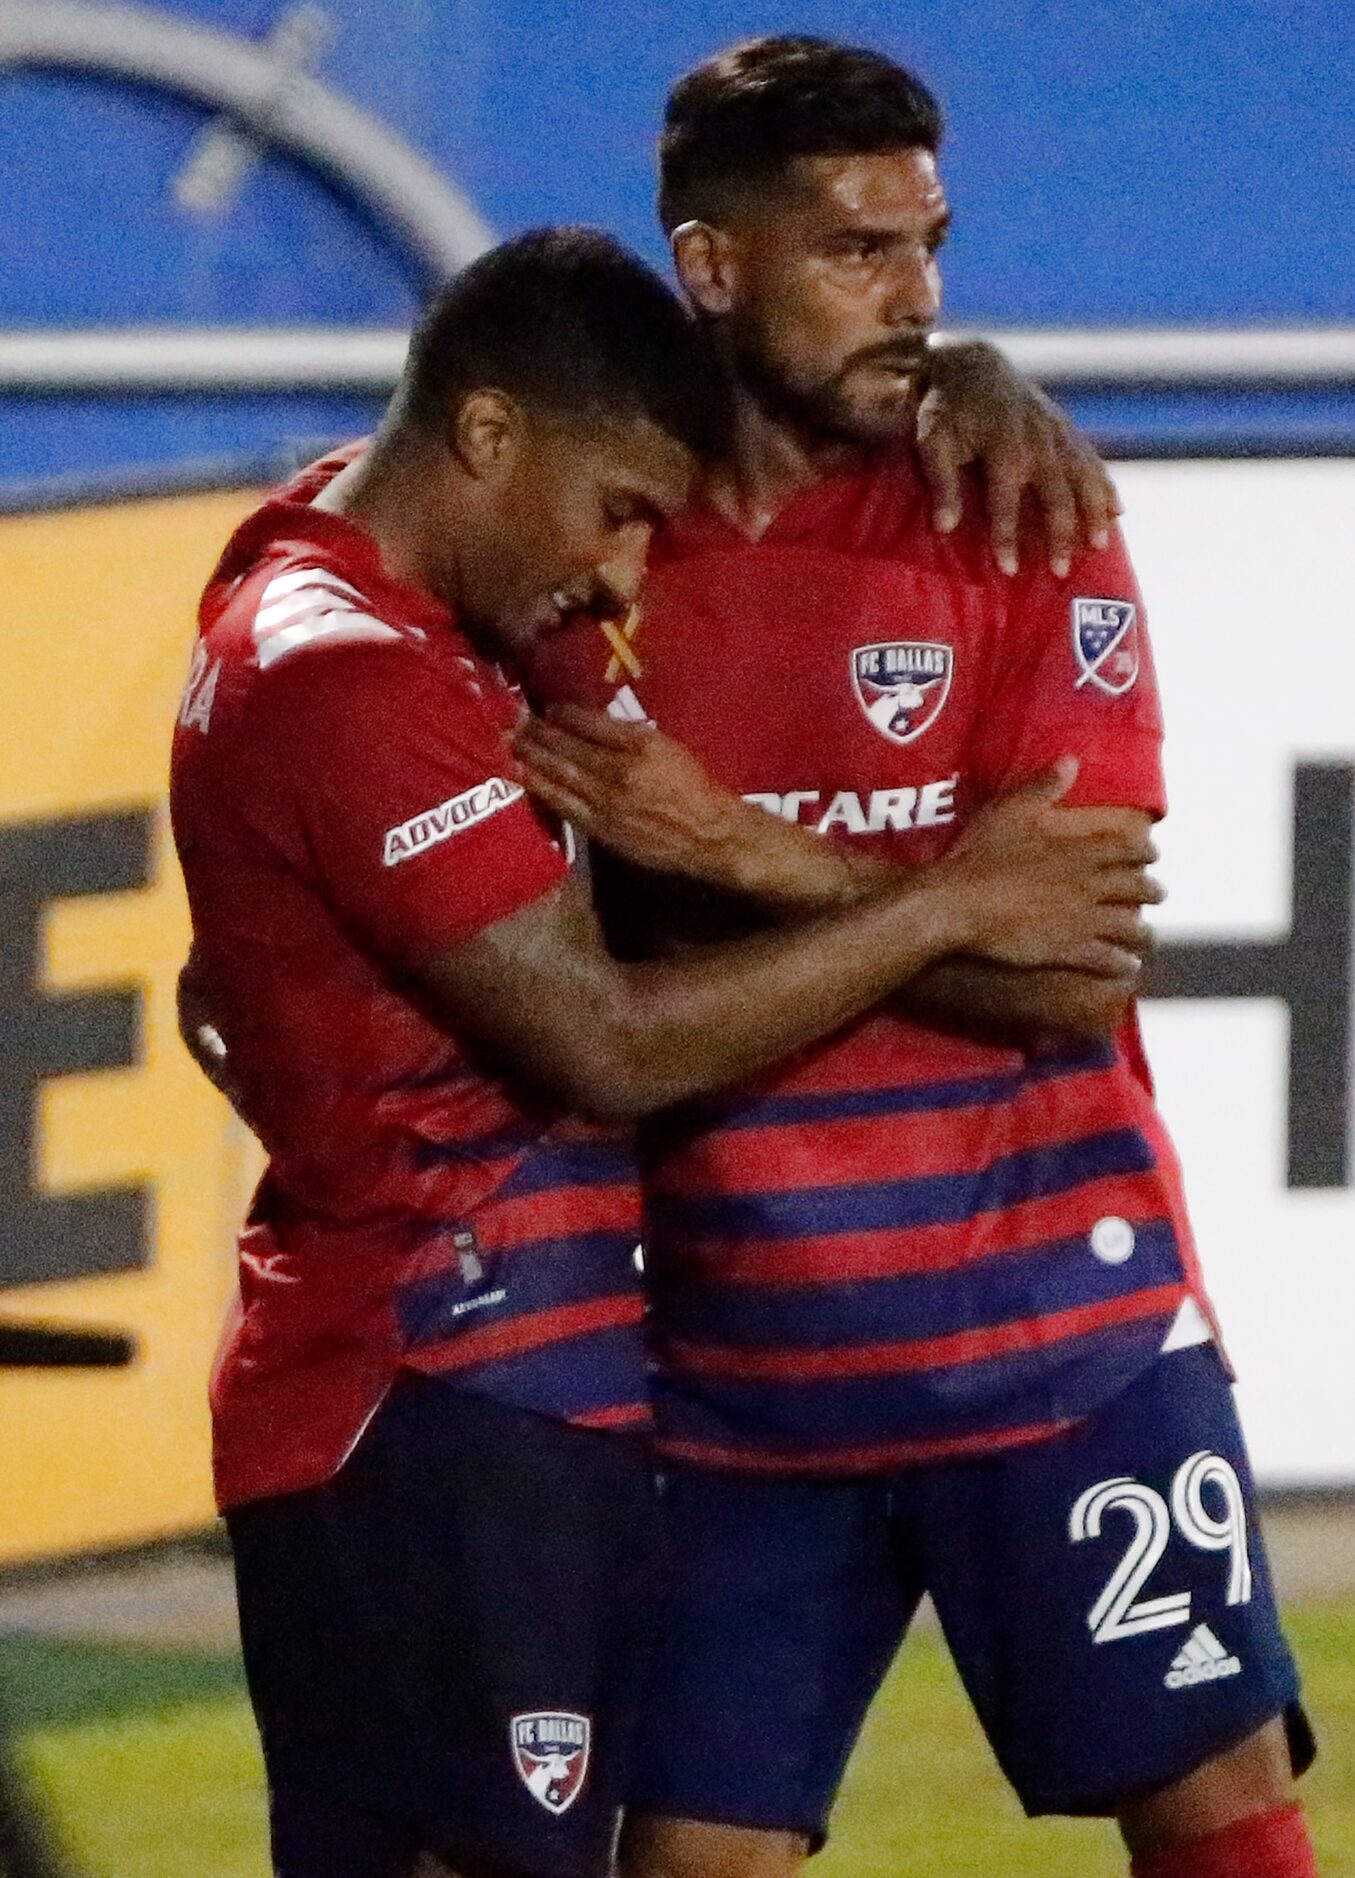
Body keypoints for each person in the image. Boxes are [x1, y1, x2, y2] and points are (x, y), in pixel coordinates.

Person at [170, 226, 1158, 1878]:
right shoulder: (350, 670)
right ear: (489, 440)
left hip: (461, 1387)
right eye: (620, 510)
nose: (627, 577)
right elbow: (612, 1045)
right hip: (435, 1393)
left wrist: (961, 376)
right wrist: (949, 899)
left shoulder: (352, 563)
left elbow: (568, 321)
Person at [518, 41, 1318, 1878]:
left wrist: (740, 851)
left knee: (1222, 1827)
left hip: (1065, 1329)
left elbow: (1073, 970)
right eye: (859, 252)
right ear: (711, 265)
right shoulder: (594, 550)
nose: (922, 298)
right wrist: (944, 889)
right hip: (738, 1366)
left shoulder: (1019, 513)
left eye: (932, 247)